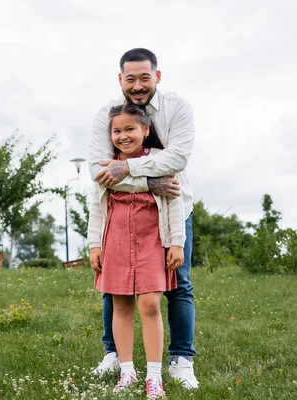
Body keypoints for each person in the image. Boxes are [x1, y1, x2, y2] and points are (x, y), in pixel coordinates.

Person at [88, 48, 199, 389]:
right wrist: (150, 179)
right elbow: (98, 172)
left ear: (157, 77)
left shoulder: (177, 107)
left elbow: (177, 160)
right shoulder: (107, 116)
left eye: (144, 78)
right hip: (120, 217)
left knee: (177, 285)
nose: (137, 85)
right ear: (120, 79)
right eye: (130, 79)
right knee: (115, 288)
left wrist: (126, 168)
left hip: (170, 208)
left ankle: (181, 359)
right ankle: (114, 355)